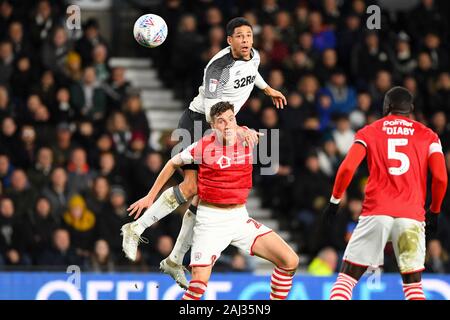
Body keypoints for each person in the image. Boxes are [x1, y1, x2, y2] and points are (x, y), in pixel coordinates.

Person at [124, 17, 286, 289]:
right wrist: (241, 128)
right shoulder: (217, 69)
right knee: (190, 187)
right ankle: (136, 229)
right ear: (229, 41)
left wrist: (267, 89)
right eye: (240, 36)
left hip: (221, 124)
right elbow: (215, 113)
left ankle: (175, 261)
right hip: (200, 122)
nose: (246, 40)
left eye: (249, 35)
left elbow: (252, 71)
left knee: (203, 197)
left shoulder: (253, 55)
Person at [122, 102, 298, 299]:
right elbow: (172, 163)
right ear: (213, 126)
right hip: (211, 221)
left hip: (239, 218)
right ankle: (161, 248)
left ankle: (174, 259)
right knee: (197, 286)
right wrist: (150, 196)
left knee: (290, 260)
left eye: (231, 119)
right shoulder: (203, 146)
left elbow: (242, 129)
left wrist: (247, 130)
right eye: (221, 122)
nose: (227, 125)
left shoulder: (245, 135)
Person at [322, 86, 448, 300]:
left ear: (387, 106)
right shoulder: (429, 136)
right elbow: (441, 177)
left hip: (376, 212)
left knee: (346, 280)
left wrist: (334, 201)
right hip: (411, 216)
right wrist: (434, 210)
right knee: (413, 288)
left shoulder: (370, 131)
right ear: (411, 109)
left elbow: (347, 168)